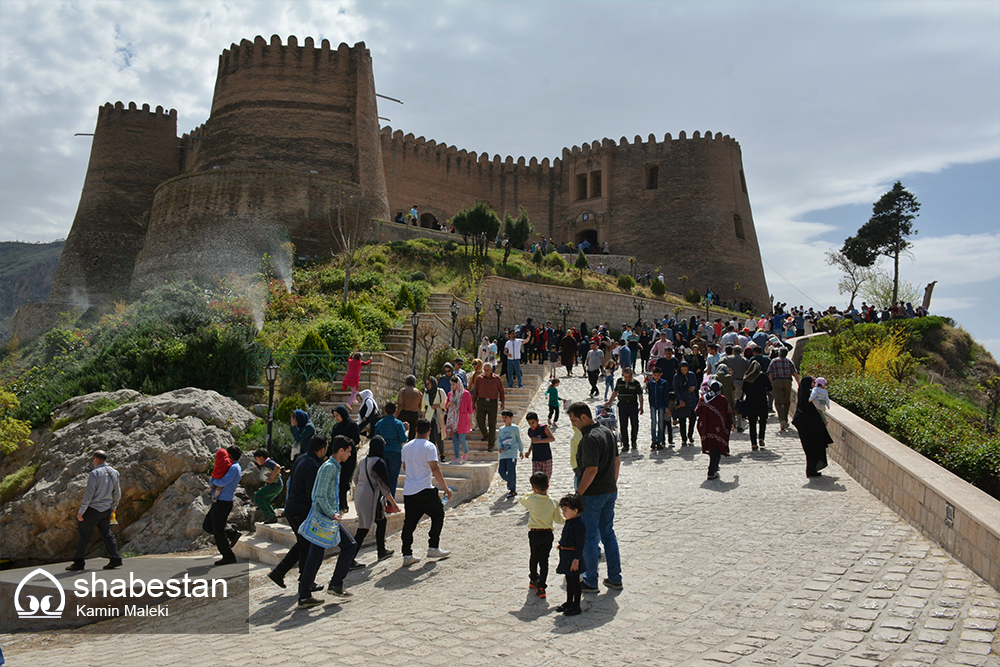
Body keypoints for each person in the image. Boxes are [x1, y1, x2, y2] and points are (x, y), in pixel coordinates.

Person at [297, 436, 358, 608]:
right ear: (340, 451)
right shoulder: (329, 467)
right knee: (349, 546)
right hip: (325, 519)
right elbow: (319, 495)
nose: (349, 454)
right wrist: (333, 514)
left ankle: (307, 595)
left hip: (327, 518)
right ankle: (334, 585)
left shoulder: (332, 467)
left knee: (316, 556)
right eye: (348, 451)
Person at [567, 402, 622, 593]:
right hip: (609, 492)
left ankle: (591, 580)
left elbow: (591, 470)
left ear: (584, 417)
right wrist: (611, 484)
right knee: (608, 534)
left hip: (592, 495)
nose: (574, 425)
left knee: (590, 537)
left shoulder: (589, 439)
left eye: (574, 420)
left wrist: (578, 495)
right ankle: (615, 578)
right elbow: (616, 462)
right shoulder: (607, 432)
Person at [268, 435, 326, 590]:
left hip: (292, 507)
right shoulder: (312, 465)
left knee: (303, 544)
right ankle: (305, 581)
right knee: (307, 545)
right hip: (302, 510)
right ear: (322, 449)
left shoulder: (302, 459)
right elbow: (311, 493)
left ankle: (281, 573)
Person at [400, 419, 454, 566]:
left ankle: (406, 554)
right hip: (424, 489)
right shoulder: (429, 446)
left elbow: (405, 467)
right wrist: (446, 488)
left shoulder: (406, 447)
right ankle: (433, 546)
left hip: (409, 490)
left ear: (416, 430)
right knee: (438, 514)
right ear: (429, 431)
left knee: (409, 523)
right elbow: (435, 468)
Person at [66, 450, 122, 571]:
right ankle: (115, 558)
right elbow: (117, 493)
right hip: (106, 509)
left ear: (96, 459)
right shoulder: (115, 473)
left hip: (93, 509)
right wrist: (113, 508)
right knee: (107, 534)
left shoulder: (95, 473)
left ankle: (78, 563)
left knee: (84, 536)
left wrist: (81, 511)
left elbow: (89, 495)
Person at [350, 436, 401, 568]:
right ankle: (349, 559)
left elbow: (355, 479)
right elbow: (384, 487)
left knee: (381, 521)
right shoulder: (379, 462)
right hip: (370, 496)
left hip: (360, 494)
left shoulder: (363, 461)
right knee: (363, 528)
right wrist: (393, 504)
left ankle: (381, 551)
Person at [519, 472, 563, 599]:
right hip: (547, 533)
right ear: (548, 486)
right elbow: (559, 519)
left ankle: (533, 579)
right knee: (545, 560)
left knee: (534, 556)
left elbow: (523, 499)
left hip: (534, 533)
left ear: (533, 488)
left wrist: (532, 493)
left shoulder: (531, 500)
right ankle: (542, 586)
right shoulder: (553, 502)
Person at [204, 444, 242, 565]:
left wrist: (213, 480)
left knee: (218, 530)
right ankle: (232, 533)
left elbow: (223, 481)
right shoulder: (229, 467)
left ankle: (228, 555)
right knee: (208, 526)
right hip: (219, 501)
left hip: (224, 502)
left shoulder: (234, 468)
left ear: (229, 456)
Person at [793, 376, 834, 477]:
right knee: (814, 447)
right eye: (813, 381)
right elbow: (819, 408)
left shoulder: (803, 394)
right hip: (811, 425)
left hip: (804, 424)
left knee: (809, 448)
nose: (814, 383)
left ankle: (811, 469)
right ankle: (811, 470)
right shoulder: (811, 395)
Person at [695, 380, 734, 480]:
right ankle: (711, 471)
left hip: (706, 428)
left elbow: (697, 411)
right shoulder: (722, 399)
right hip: (718, 428)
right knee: (716, 447)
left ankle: (714, 467)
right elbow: (729, 411)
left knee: (712, 446)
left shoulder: (703, 399)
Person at [555, 493, 586, 616]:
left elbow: (580, 543)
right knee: (569, 579)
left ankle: (576, 604)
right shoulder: (569, 522)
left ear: (575, 511)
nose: (563, 513)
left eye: (565, 510)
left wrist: (576, 559)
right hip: (566, 554)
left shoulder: (579, 525)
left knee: (575, 582)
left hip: (573, 557)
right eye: (562, 510)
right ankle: (569, 602)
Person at [605, 366, 644, 452]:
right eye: (625, 377)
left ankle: (634, 441)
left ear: (632, 376)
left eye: (629, 377)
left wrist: (641, 407)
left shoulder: (636, 383)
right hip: (622, 406)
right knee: (623, 425)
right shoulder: (619, 382)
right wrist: (610, 401)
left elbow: (640, 395)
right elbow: (615, 392)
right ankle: (625, 444)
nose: (627, 379)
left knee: (634, 424)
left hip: (633, 405)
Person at [373, 402, 407, 499]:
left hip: (382, 453)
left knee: (382, 478)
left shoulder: (379, 424)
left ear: (384, 411)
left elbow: (376, 438)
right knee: (393, 479)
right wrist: (407, 430)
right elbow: (403, 439)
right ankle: (390, 503)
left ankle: (380, 502)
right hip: (395, 453)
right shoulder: (398, 424)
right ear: (395, 411)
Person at [330, 405, 360, 513]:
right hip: (337, 458)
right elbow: (332, 441)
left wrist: (344, 443)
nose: (337, 418)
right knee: (337, 481)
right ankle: (339, 504)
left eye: (338, 415)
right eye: (335, 416)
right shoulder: (336, 427)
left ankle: (343, 505)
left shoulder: (351, 425)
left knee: (344, 480)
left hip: (348, 458)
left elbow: (356, 440)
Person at [472, 362, 505, 451]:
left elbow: (501, 390)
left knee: (492, 423)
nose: (486, 372)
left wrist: (502, 402)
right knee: (480, 422)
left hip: (492, 403)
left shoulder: (497, 379)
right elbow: (476, 391)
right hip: (481, 402)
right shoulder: (480, 378)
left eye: (488, 370)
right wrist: (473, 403)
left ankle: (491, 444)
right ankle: (486, 435)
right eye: (485, 370)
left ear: (491, 370)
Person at [740, 360, 773, 451]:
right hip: (761, 401)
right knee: (762, 421)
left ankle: (753, 443)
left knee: (752, 423)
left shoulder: (747, 377)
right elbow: (770, 388)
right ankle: (761, 438)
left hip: (750, 402)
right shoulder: (763, 376)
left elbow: (744, 389)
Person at [768, 347, 799, 431]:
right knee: (786, 402)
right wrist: (799, 384)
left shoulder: (774, 361)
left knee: (778, 402)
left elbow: (770, 373)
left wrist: (770, 385)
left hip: (777, 382)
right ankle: (785, 419)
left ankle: (781, 419)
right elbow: (795, 373)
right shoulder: (789, 362)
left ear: (779, 353)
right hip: (787, 382)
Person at [445, 376, 473, 463]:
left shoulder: (466, 394)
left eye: (454, 384)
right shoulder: (450, 394)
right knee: (454, 439)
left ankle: (465, 452)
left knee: (461, 437)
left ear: (458, 384)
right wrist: (449, 404)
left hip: (462, 419)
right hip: (452, 419)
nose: (452, 386)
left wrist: (471, 420)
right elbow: (446, 406)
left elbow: (470, 408)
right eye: (451, 384)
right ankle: (457, 457)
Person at [497, 409, 525, 498]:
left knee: (511, 471)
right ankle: (510, 480)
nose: (504, 419)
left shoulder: (515, 428)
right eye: (503, 417)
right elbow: (499, 440)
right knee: (501, 471)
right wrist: (499, 447)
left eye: (506, 417)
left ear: (511, 418)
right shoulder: (501, 429)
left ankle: (513, 489)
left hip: (512, 453)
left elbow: (519, 439)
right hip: (503, 454)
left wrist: (521, 451)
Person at [252, 449, 283, 523]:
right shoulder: (265, 464)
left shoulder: (268, 462)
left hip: (275, 485)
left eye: (257, 459)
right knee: (266, 499)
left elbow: (278, 467)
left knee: (258, 496)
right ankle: (272, 516)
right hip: (277, 486)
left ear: (261, 458)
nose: (256, 461)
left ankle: (268, 515)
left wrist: (271, 478)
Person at [672, 361, 698, 446]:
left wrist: (694, 387)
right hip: (683, 400)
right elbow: (676, 389)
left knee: (693, 419)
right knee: (682, 421)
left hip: (691, 400)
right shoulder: (677, 377)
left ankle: (690, 435)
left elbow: (696, 384)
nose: (684, 371)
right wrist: (680, 400)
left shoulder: (692, 375)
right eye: (682, 370)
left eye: (686, 370)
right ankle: (684, 438)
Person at [422, 377, 447, 461]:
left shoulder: (440, 391)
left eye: (429, 384)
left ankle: (442, 455)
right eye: (426, 384)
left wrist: (438, 405)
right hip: (429, 418)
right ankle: (432, 456)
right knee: (430, 437)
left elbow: (445, 404)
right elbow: (423, 407)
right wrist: (423, 419)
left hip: (438, 417)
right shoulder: (426, 393)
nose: (428, 386)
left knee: (439, 436)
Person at [525, 411, 555, 482]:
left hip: (546, 457)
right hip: (536, 458)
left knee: (545, 480)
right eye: (529, 423)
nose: (531, 425)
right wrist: (529, 451)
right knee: (536, 479)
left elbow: (552, 438)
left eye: (533, 422)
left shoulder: (544, 428)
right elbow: (533, 441)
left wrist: (539, 441)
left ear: (537, 420)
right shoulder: (530, 431)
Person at [647, 367, 672, 450]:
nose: (657, 377)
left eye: (658, 375)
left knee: (661, 423)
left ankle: (659, 441)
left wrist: (666, 407)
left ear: (661, 375)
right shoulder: (650, 383)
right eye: (655, 375)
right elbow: (650, 394)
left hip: (661, 404)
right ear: (653, 375)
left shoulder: (664, 383)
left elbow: (666, 396)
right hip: (653, 404)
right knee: (653, 422)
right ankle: (654, 440)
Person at [397, 375, 423, 439]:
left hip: (404, 413)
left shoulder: (403, 391)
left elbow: (400, 404)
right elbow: (420, 406)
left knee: (401, 431)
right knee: (412, 433)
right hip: (414, 414)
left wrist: (396, 415)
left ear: (406, 383)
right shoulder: (419, 393)